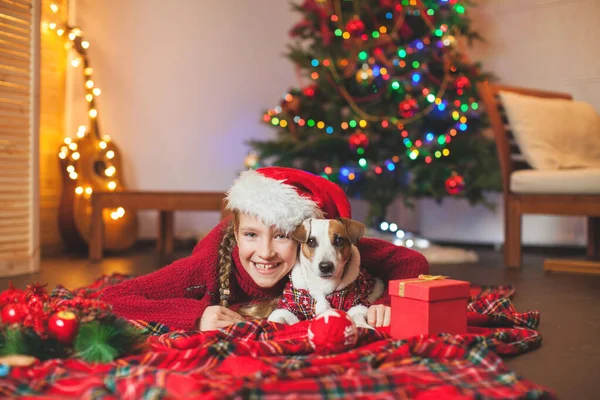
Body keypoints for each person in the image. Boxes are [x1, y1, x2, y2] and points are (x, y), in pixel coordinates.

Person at [101, 167, 429, 331]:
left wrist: (386, 303)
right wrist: (196, 316)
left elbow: (411, 260)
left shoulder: (325, 246)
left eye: (283, 236)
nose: (266, 252)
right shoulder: (207, 266)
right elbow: (112, 299)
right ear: (236, 232)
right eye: (252, 235)